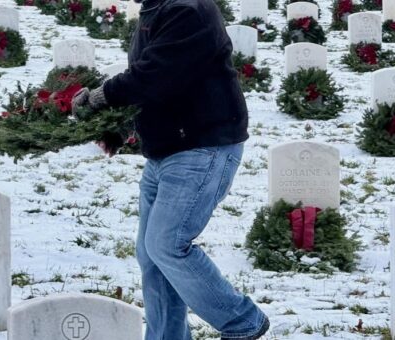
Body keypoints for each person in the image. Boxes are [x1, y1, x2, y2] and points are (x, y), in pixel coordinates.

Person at [72, 0, 269, 338]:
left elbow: (156, 74)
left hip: (202, 145)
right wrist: (122, 128)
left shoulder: (188, 10)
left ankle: (242, 321)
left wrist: (102, 96)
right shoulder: (157, 8)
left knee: (167, 244)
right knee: (152, 255)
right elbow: (159, 82)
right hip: (167, 149)